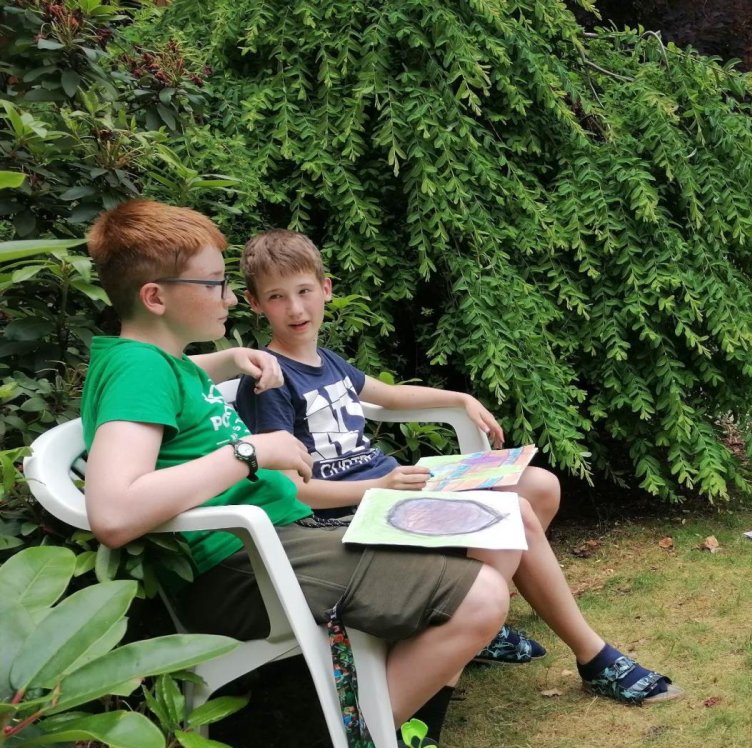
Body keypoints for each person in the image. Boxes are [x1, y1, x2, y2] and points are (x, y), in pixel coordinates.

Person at [79, 199, 515, 748]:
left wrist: (231, 360)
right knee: (480, 597)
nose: (230, 297)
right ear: (156, 297)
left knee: (481, 537)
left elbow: (172, 384)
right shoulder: (137, 370)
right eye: (214, 283)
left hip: (282, 546)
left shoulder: (154, 361)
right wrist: (250, 451)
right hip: (246, 570)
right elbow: (114, 512)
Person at [233, 228, 682, 706]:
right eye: (277, 297)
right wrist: (378, 487)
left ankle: (478, 628)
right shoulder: (267, 382)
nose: (296, 309)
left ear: (326, 289)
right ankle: (593, 657)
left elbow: (388, 396)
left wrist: (460, 397)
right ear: (256, 304)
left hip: (393, 491)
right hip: (351, 517)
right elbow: (292, 491)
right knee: (515, 515)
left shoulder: (326, 361)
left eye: (304, 291)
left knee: (538, 486)